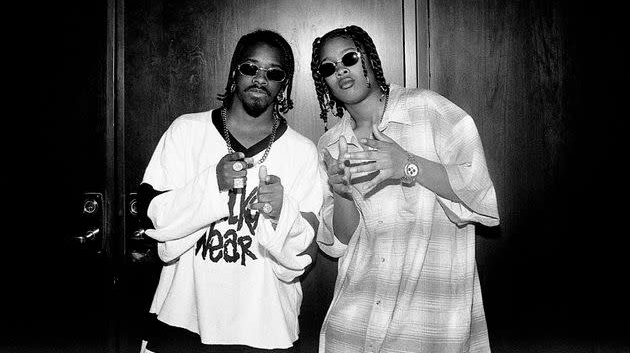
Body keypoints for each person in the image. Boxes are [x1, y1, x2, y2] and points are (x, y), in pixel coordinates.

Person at [310, 25, 499, 352]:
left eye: (349, 58)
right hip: (357, 319)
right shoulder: (331, 144)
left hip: (429, 320)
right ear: (323, 81)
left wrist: (409, 164)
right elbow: (338, 242)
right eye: (328, 67)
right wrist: (341, 194)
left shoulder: (428, 110)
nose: (340, 69)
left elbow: (480, 193)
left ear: (369, 59)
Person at [138, 29, 323, 352]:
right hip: (184, 318)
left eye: (274, 73)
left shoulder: (302, 151)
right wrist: (213, 183)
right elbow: (154, 219)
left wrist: (283, 212)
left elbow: (304, 256)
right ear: (235, 71)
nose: (260, 79)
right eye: (251, 68)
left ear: (284, 84)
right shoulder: (187, 131)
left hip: (263, 326)